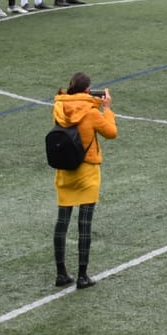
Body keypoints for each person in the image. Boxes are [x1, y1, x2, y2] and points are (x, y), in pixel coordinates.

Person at [51, 73, 116, 289]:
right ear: (88, 91)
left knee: (62, 223)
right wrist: (106, 108)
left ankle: (61, 273)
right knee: (84, 225)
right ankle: (82, 275)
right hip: (87, 172)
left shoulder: (59, 108)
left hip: (64, 171)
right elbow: (111, 133)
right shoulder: (91, 113)